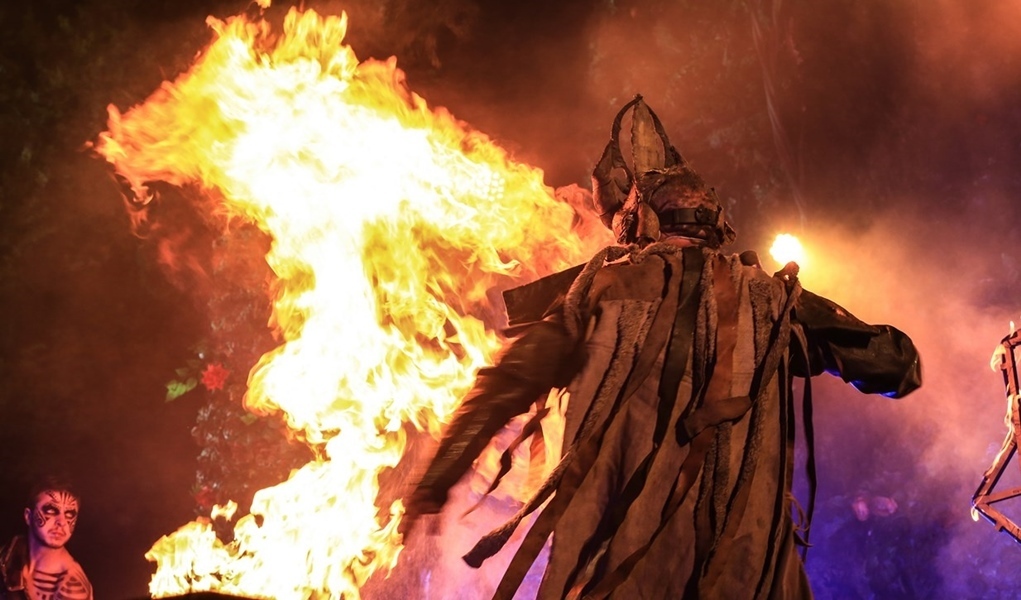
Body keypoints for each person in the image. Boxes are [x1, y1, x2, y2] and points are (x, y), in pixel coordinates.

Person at [403, 96, 921, 599]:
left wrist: (435, 481)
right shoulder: (773, 302)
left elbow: (506, 385)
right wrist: (803, 314)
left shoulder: (602, 292)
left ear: (638, 223)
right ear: (715, 222)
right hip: (743, 581)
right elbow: (896, 366)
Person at [0, 478, 93, 600]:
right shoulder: (11, 552)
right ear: (28, 516)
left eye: (69, 514)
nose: (62, 522)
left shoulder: (71, 587)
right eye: (51, 510)